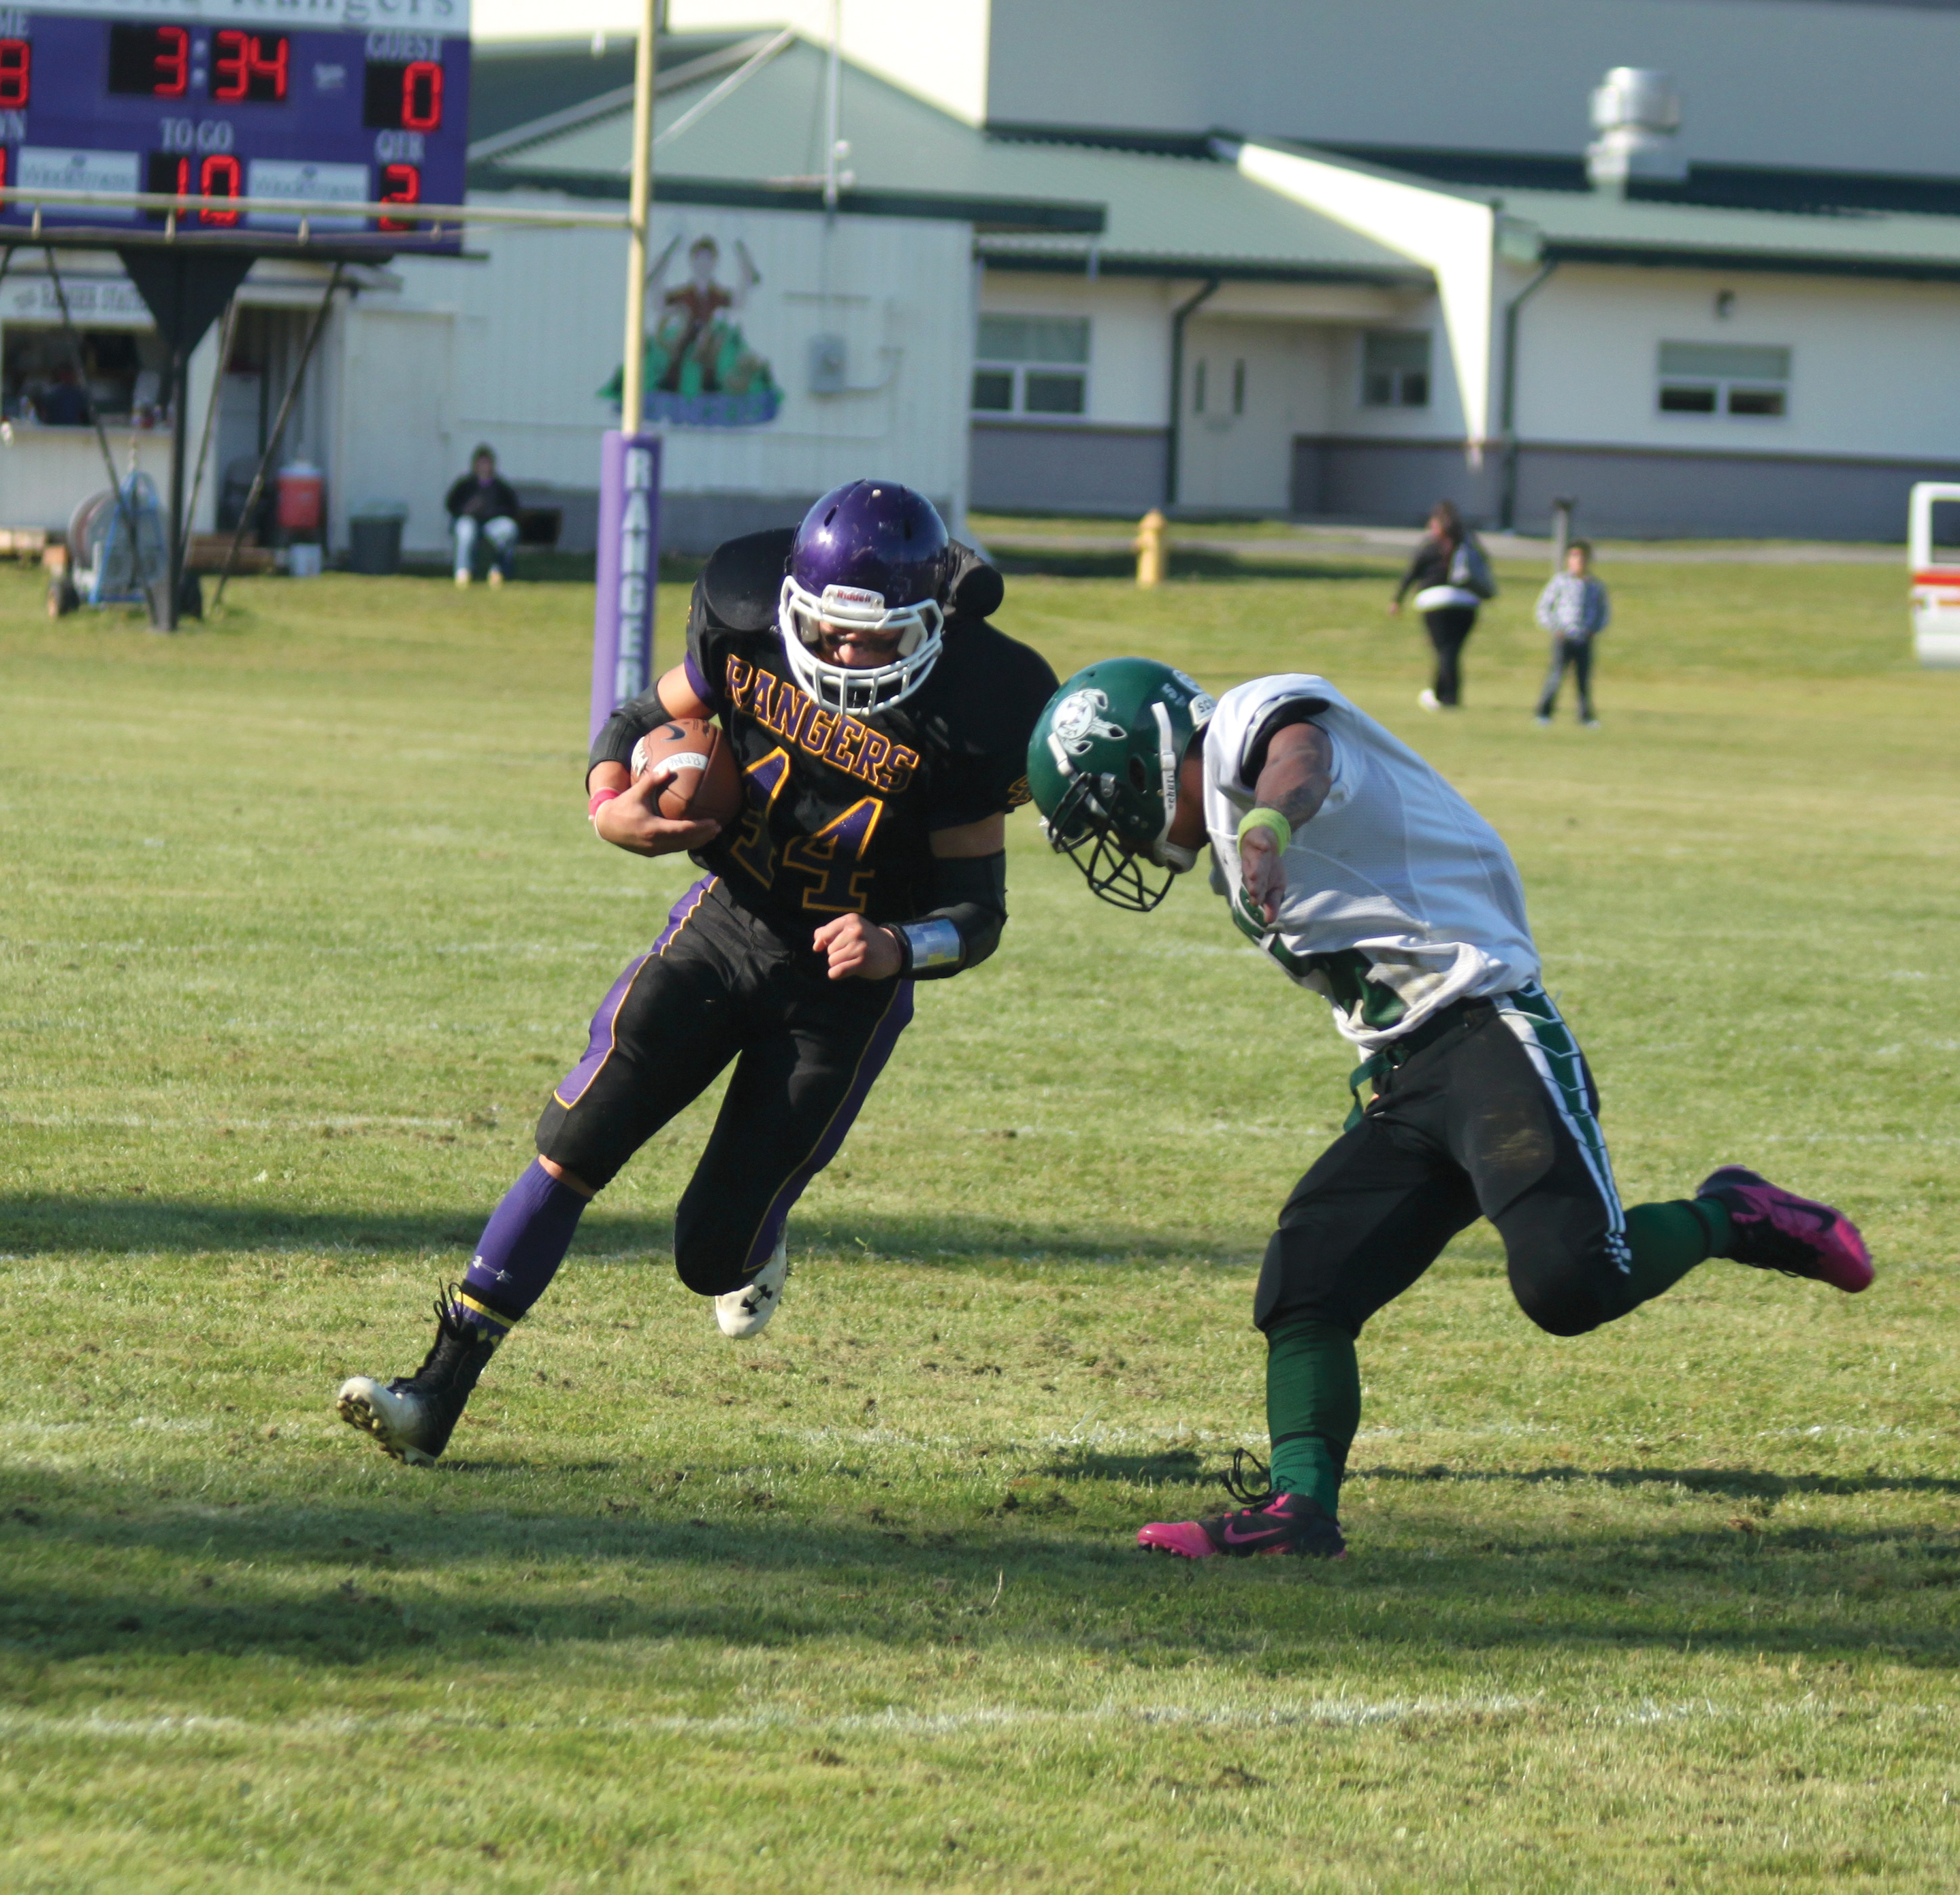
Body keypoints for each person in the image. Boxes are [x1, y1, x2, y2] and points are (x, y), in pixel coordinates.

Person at [1025, 658, 1872, 1560]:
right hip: (1406, 1075)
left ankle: (1731, 1215)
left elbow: (1300, 756)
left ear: (1143, 759)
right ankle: (1298, 1511)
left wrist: (1270, 821)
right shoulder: (1230, 846)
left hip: (1493, 1038)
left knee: (1571, 1287)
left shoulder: (1246, 733)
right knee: (1306, 1277)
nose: (1114, 836)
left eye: (1104, 810)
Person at [336, 481, 1059, 1467]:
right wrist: (608, 802)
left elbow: (978, 915)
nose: (846, 654)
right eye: (828, 631)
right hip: (728, 921)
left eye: (875, 637)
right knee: (576, 1135)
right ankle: (434, 1391)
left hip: (840, 992)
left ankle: (755, 1245)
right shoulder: (743, 608)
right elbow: (640, 715)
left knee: (707, 1252)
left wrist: (897, 947)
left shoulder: (981, 702)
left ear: (931, 624)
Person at [1388, 501, 1494, 711]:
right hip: (1468, 604)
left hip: (1436, 603)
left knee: (1444, 652)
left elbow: (1412, 573)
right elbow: (1485, 565)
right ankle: (1445, 695)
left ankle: (1446, 698)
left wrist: (1397, 600)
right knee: (1452, 651)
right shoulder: (1469, 545)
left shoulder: (1430, 548)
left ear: (1437, 525)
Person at [1534, 539, 1610, 725]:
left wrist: (1595, 629)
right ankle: (1544, 714)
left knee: (1583, 679)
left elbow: (1604, 611)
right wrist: (1555, 628)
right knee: (1556, 675)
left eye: (1582, 558)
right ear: (1569, 560)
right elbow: (1544, 608)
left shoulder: (1595, 586)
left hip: (1584, 638)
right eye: (1574, 557)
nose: (1579, 561)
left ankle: (1586, 716)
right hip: (1564, 637)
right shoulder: (1560, 582)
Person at [445, 444, 522, 588]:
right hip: (471, 522)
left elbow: (512, 508)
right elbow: (451, 505)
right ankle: (463, 572)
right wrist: (468, 510)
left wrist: (494, 512)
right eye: (480, 463)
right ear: (474, 465)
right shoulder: (465, 485)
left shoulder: (500, 487)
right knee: (464, 530)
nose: (483, 466)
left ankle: (499, 571)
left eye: (487, 463)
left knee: (509, 529)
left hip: (493, 524)